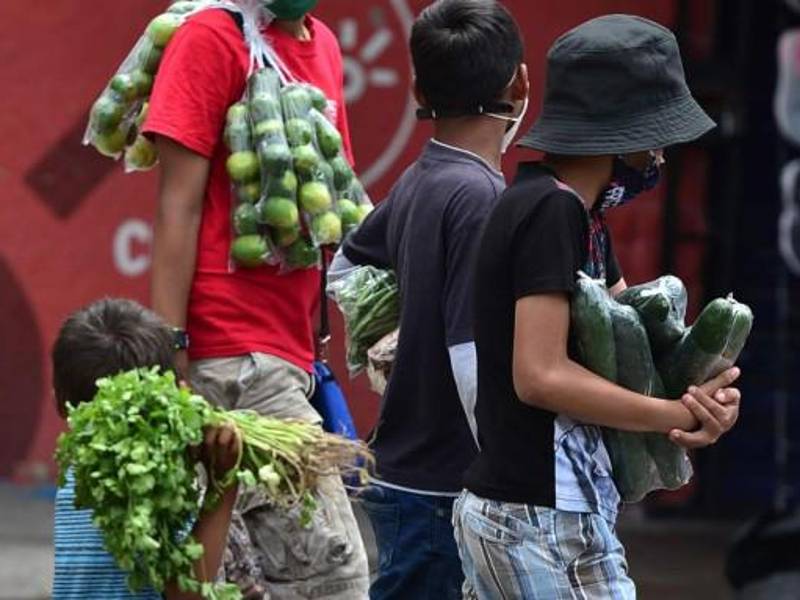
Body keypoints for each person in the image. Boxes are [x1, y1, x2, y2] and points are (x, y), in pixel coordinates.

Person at [453, 15, 743, 599]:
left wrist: (704, 403)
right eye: (657, 135)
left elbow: (631, 342)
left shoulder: (585, 221)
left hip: (573, 507)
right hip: (528, 515)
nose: (661, 153)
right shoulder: (548, 212)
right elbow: (539, 375)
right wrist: (671, 416)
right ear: (624, 133)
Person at [141, 1, 369, 598]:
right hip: (233, 357)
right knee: (335, 580)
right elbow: (177, 208)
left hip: (287, 355)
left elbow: (328, 209)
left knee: (259, 584)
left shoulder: (322, 45)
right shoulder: (209, 38)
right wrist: (173, 353)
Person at [328, 1, 528, 597]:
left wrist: (394, 344)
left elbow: (345, 266)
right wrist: (506, 474)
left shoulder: (425, 175)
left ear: (417, 85)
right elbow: (471, 355)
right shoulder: (482, 196)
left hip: (406, 473)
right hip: (446, 487)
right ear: (519, 80)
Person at [51, 298, 240, 600]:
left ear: (60, 403)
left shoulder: (80, 472)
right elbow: (185, 594)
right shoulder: (143, 481)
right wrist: (224, 483)